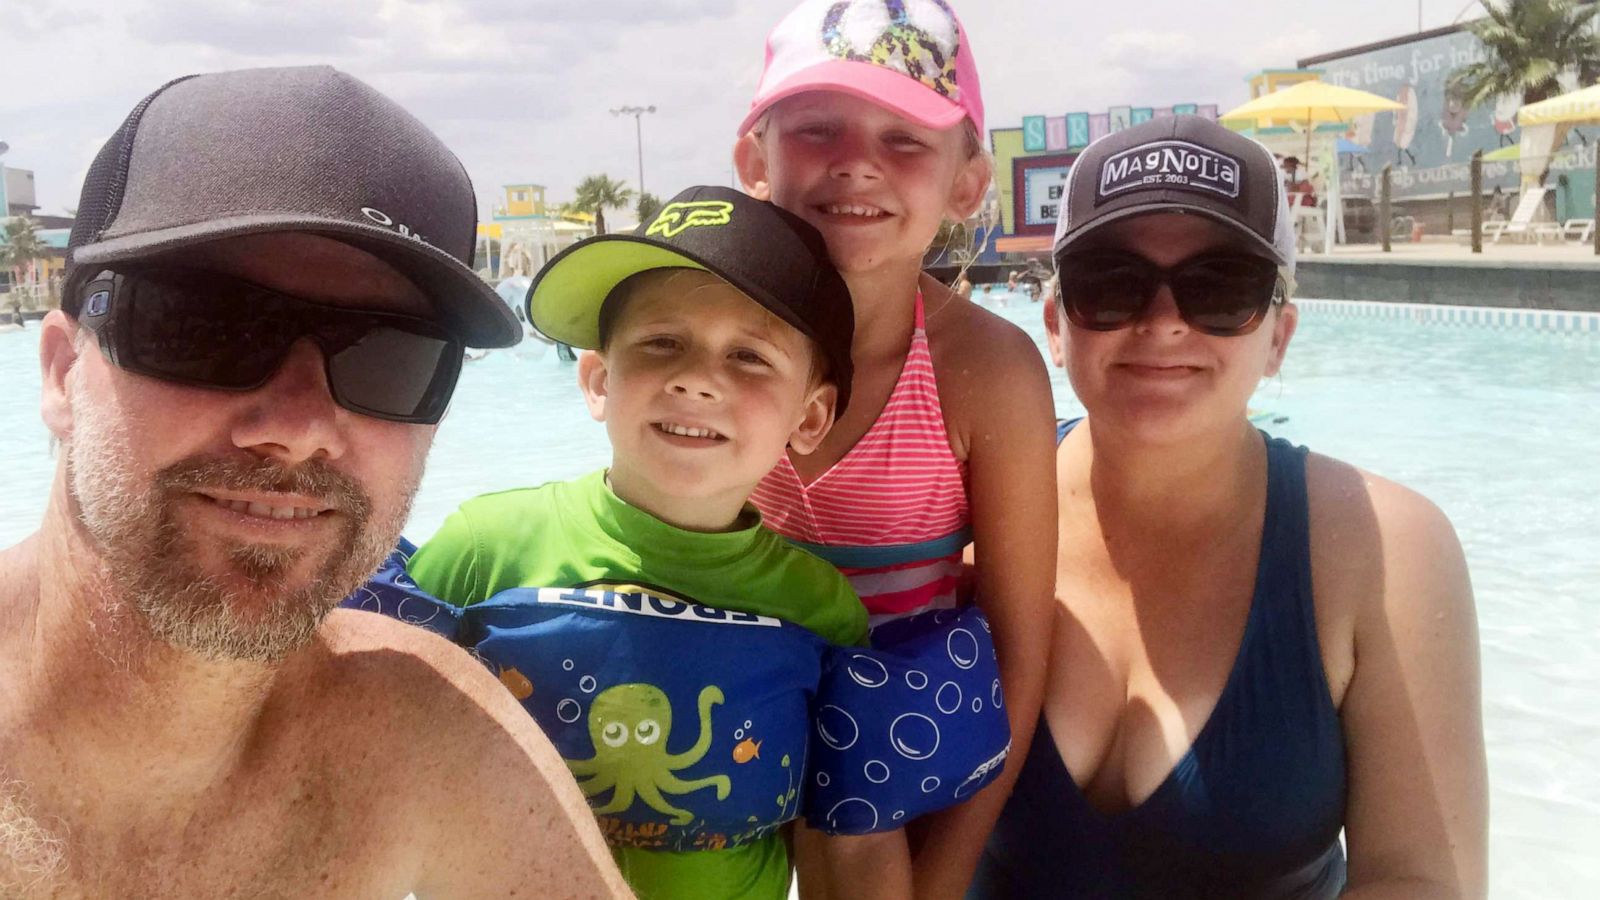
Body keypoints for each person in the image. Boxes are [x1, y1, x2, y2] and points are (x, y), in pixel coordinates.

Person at [0, 66, 629, 898]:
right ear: (60, 372)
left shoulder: (430, 739)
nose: (297, 427)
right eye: (211, 328)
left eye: (393, 357)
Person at [357, 185, 999, 900]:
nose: (696, 380)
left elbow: (840, 840)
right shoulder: (485, 546)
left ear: (809, 417)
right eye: (662, 343)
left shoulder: (817, 605)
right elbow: (367, 762)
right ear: (599, 380)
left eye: (750, 357)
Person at [971, 116, 1488, 897]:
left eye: (1220, 290)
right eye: (1112, 284)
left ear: (1278, 338)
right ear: (1054, 323)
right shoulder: (962, 510)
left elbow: (1418, 878)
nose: (1165, 320)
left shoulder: (1384, 549)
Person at [732, 1, 1058, 894]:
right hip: (735, 750)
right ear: (755, 161)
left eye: (905, 139)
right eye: (817, 128)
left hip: (897, 786)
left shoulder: (987, 372)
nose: (856, 162)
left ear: (965, 184)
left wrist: (948, 875)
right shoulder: (706, 353)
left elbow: (1020, 649)